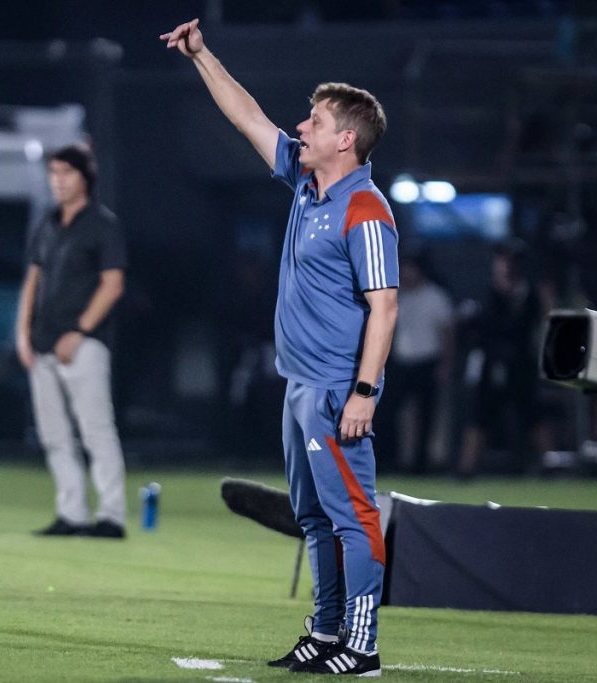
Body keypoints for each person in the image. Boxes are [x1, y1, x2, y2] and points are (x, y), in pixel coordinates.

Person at [162, 19, 398, 676]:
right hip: (298, 382)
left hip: (335, 388)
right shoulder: (305, 180)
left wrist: (363, 392)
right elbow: (248, 117)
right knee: (313, 518)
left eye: (315, 121)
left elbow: (385, 308)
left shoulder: (366, 210)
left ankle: (363, 645)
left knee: (353, 516)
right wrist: (201, 56)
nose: (301, 127)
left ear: (345, 140)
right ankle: (325, 632)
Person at [16, 144, 129, 539]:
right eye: (54, 172)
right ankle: (72, 512)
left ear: (85, 178)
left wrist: (79, 331)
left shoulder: (103, 225)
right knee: (54, 435)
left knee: (96, 430)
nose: (58, 180)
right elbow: (33, 280)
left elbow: (113, 285)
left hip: (84, 345)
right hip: (43, 343)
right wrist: (22, 334)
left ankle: (111, 516)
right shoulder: (47, 224)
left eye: (66, 172)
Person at [456, 240, 553, 477]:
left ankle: (550, 464)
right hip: (491, 362)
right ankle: (466, 469)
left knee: (532, 414)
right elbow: (472, 327)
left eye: (510, 260)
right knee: (479, 416)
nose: (505, 265)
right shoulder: (485, 292)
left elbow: (542, 320)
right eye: (502, 260)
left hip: (520, 362)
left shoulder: (529, 292)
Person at [376, 250, 454, 473]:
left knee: (426, 416)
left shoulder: (435, 297)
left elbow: (447, 333)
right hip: (401, 363)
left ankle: (421, 464)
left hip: (427, 362)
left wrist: (445, 364)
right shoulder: (397, 295)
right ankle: (389, 458)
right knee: (389, 411)